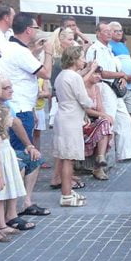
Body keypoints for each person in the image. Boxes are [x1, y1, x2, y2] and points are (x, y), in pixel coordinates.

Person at [0, 12, 52, 218]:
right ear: (29, 30)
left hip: (20, 106)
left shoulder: (13, 47)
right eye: (35, 28)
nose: (37, 32)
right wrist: (48, 53)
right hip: (19, 108)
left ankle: (20, 203)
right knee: (22, 158)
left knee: (20, 157)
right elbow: (45, 73)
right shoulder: (20, 52)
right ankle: (17, 206)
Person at [85, 22, 131, 163]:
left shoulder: (110, 49)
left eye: (109, 31)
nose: (108, 33)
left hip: (114, 88)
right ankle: (104, 157)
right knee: (108, 121)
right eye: (105, 31)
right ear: (98, 33)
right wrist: (121, 75)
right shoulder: (95, 49)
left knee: (124, 120)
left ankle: (125, 154)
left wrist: (121, 77)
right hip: (104, 87)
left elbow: (114, 70)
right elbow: (100, 72)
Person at [53, 46, 94, 206]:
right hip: (70, 121)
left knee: (65, 157)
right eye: (82, 57)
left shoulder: (61, 75)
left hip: (63, 117)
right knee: (68, 159)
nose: (84, 60)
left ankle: (68, 190)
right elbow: (85, 100)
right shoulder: (74, 77)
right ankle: (66, 195)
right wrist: (90, 103)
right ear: (74, 59)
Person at [0, 76, 28, 240]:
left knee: (1, 196)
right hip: (0, 160)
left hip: (5, 153)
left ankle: (2, 224)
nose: (12, 121)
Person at [82, 68, 114, 181]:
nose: (99, 77)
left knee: (105, 124)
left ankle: (100, 159)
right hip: (82, 121)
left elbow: (100, 108)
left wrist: (105, 116)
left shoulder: (96, 88)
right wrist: (103, 115)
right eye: (95, 73)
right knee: (104, 124)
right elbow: (85, 109)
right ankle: (98, 165)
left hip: (94, 121)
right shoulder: (81, 87)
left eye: (99, 74)